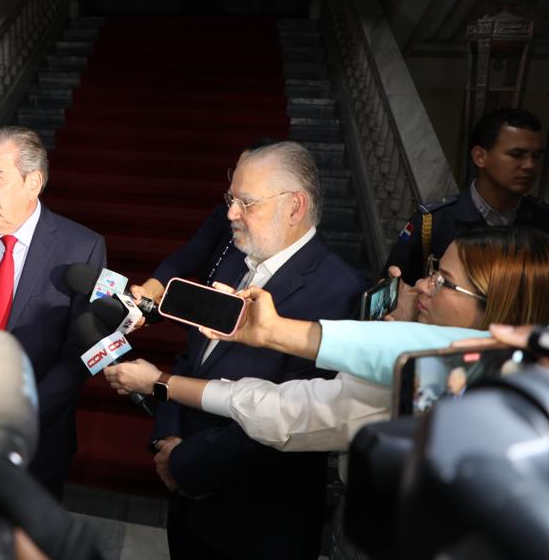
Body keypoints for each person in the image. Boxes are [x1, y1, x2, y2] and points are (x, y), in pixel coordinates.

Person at [107, 226, 549, 453]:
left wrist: (274, 333)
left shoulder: (461, 380)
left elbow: (288, 412)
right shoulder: (413, 345)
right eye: (433, 270)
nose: (425, 286)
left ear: (504, 315)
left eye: (444, 283)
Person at [150, 141, 366, 560]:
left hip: (258, 524)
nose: (231, 214)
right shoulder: (233, 256)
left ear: (295, 207)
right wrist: (169, 437)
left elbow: (292, 420)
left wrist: (184, 464)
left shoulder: (340, 292)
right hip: (188, 507)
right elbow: (192, 356)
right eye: (231, 199)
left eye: (246, 203)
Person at [0, 126, 106, 498]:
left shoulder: (82, 248)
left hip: (37, 442)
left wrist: (17, 420)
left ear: (33, 182)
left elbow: (79, 356)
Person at [385, 108, 549, 285]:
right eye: (517, 155)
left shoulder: (543, 221)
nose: (530, 165)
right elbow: (389, 293)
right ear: (480, 157)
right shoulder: (434, 222)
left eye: (536, 156)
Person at [129, 137, 281, 305]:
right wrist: (148, 292)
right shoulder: (225, 214)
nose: (232, 213)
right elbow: (187, 257)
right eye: (236, 172)